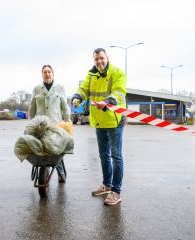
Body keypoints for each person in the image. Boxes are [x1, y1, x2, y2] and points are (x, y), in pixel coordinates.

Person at [71, 48, 127, 205]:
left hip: (115, 120)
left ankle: (116, 191)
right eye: (96, 59)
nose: (99, 61)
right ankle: (106, 185)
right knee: (103, 155)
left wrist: (108, 101)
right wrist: (77, 97)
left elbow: (119, 92)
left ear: (107, 58)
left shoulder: (117, 73)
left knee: (116, 156)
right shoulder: (91, 75)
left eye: (101, 58)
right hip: (100, 120)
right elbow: (84, 89)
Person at [29, 64, 71, 183]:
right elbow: (32, 107)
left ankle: (61, 172)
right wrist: (30, 124)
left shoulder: (60, 88)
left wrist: (67, 122)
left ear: (53, 74)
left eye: (49, 72)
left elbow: (65, 106)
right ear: (42, 75)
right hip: (40, 124)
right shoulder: (37, 89)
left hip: (55, 124)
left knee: (56, 150)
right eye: (45, 72)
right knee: (43, 149)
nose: (47, 74)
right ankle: (45, 170)